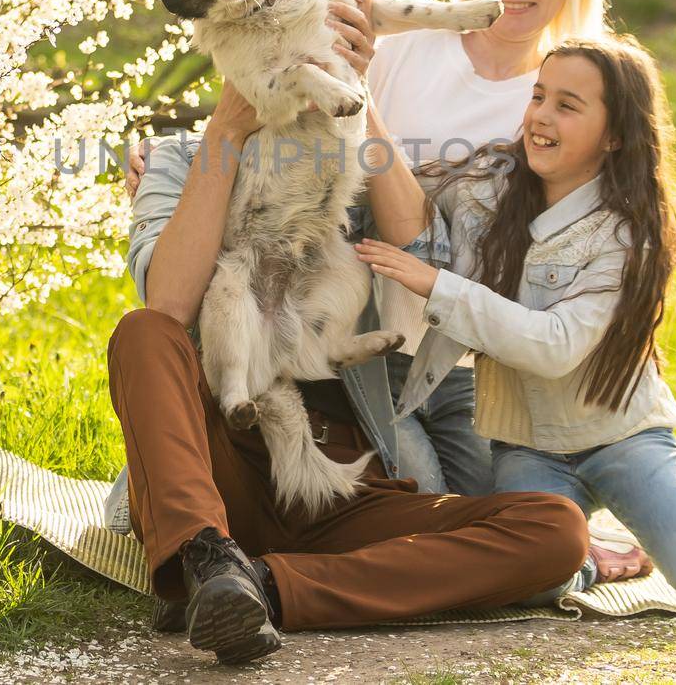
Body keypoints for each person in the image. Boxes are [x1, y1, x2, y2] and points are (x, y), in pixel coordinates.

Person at [105, 76, 589, 666]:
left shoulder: (364, 153)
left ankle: (264, 587)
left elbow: (426, 260)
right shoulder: (179, 155)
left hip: (344, 484)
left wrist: (363, 106)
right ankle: (206, 554)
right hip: (221, 463)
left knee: (557, 528)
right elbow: (171, 302)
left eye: (341, 45)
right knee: (143, 332)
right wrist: (227, 131)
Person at [353, 36, 676, 599]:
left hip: (621, 437)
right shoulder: (488, 183)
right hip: (527, 447)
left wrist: (438, 286)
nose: (540, 117)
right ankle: (595, 552)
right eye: (538, 96)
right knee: (536, 583)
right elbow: (395, 187)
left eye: (567, 106)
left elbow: (553, 345)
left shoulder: (627, 236)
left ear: (616, 134)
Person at [362, 0, 610, 496]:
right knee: (418, 500)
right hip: (365, 341)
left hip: (473, 365)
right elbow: (299, 131)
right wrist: (180, 158)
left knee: (498, 518)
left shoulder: (575, 94)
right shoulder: (405, 51)